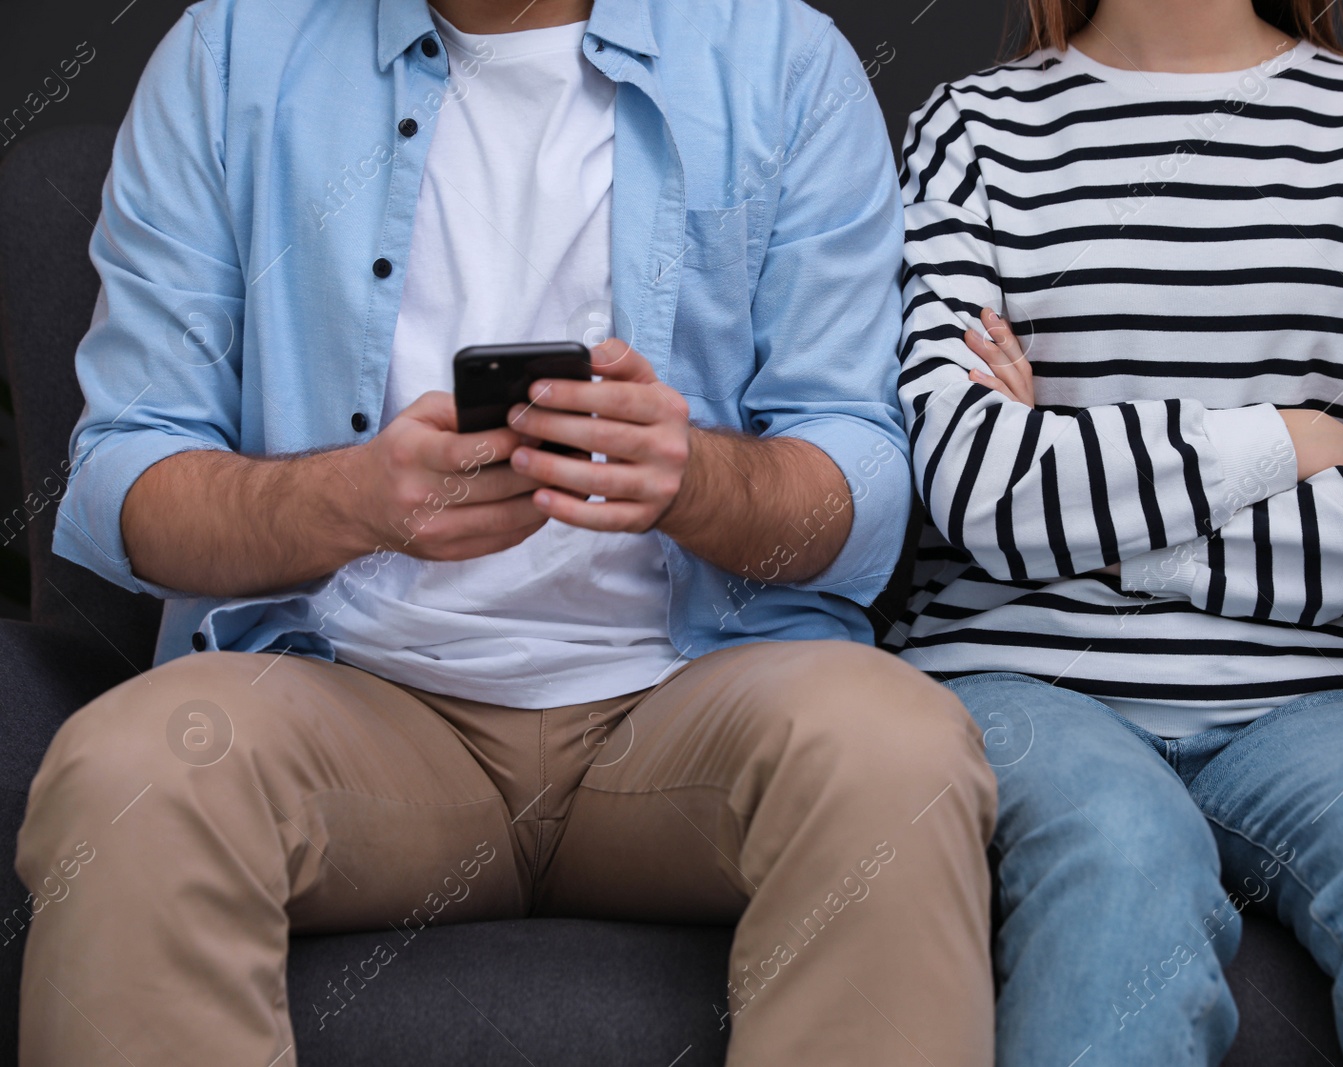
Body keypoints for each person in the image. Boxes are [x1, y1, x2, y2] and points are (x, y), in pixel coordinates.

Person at [14, 0, 999, 1063]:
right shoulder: (229, 53)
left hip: (692, 705)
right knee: (132, 771)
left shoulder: (782, 59)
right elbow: (125, 480)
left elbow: (859, 483)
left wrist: (692, 476)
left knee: (898, 750)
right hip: (354, 705)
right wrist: (354, 498)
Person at [891, 0, 1343, 1063]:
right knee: (1122, 849)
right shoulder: (969, 132)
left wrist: (1089, 523)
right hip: (1026, 691)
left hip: (1327, 704)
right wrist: (1284, 442)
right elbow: (975, 488)